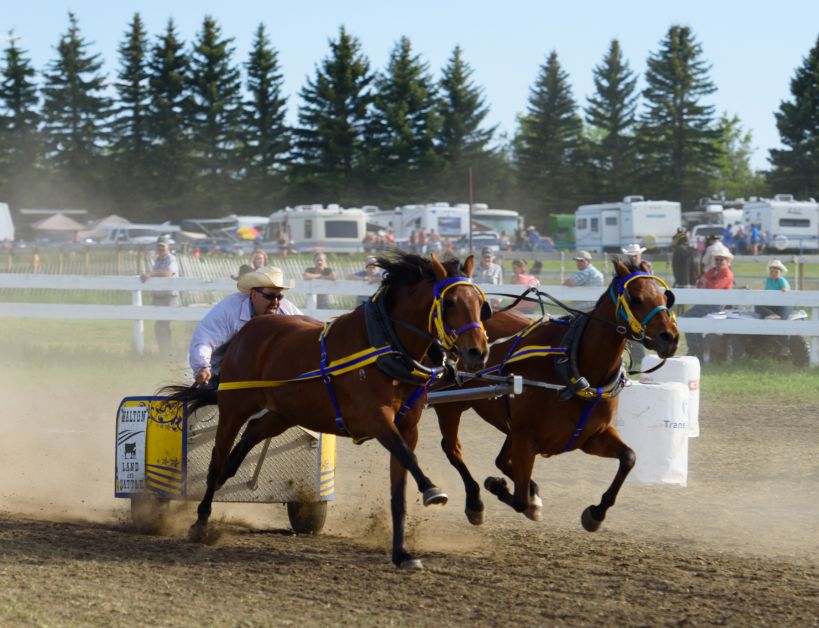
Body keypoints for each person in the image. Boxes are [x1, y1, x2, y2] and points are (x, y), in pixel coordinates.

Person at [189, 267, 302, 386]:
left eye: (279, 297)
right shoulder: (229, 310)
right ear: (254, 295)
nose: (275, 302)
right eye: (270, 296)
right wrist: (202, 366)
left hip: (264, 374)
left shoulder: (287, 311)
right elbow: (205, 339)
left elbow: (306, 333)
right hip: (219, 372)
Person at [684, 242, 734, 353]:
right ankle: (697, 349)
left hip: (716, 305)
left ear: (727, 261)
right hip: (706, 303)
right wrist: (704, 282)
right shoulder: (712, 271)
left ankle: (695, 349)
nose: (719, 261)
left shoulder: (727, 273)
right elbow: (699, 284)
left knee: (688, 319)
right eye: (717, 259)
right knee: (687, 318)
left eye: (722, 259)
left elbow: (715, 288)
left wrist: (705, 282)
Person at [140, 235, 179, 355]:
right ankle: (163, 351)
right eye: (158, 246)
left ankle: (166, 352)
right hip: (159, 297)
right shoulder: (157, 260)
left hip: (168, 297)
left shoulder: (171, 259)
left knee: (164, 325)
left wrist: (150, 274)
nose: (160, 248)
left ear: (168, 247)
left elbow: (168, 273)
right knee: (159, 326)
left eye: (162, 246)